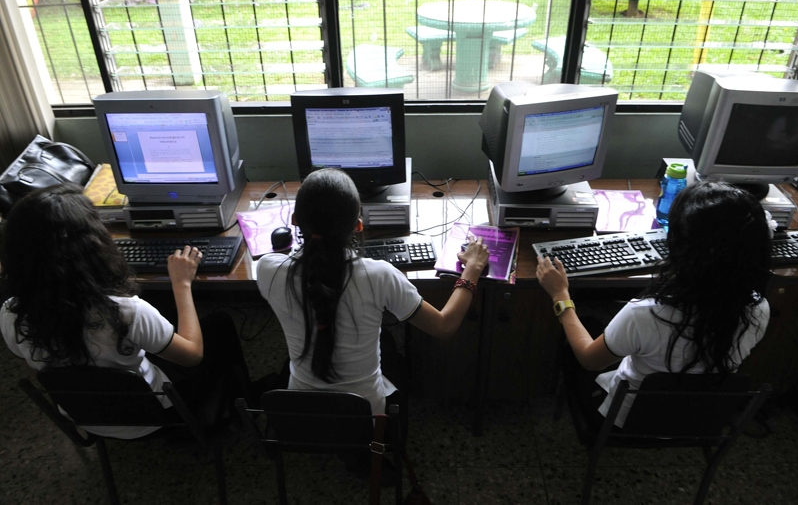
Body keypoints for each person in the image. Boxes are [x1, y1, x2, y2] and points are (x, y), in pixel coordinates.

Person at [0, 183, 253, 439]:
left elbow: (42, 371)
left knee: (150, 331)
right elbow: (193, 356)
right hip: (158, 416)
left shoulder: (11, 313)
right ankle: (241, 404)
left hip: (87, 418)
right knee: (219, 323)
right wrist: (182, 283)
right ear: (91, 245)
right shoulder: (124, 312)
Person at [256, 168, 490, 429]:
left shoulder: (268, 270)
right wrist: (473, 269)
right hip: (364, 415)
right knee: (393, 351)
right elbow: (444, 327)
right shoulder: (379, 275)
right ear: (358, 225)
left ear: (295, 219)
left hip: (302, 413)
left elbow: (287, 259)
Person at [536, 181, 771, 430]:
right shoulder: (759, 309)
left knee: (583, 328)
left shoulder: (645, 313)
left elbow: (589, 360)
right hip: (700, 420)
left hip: (627, 419)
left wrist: (560, 295)